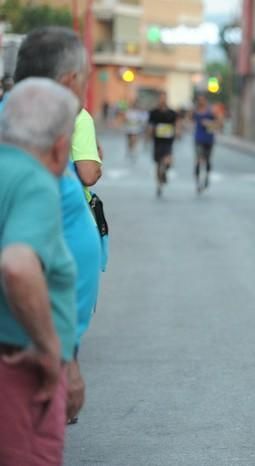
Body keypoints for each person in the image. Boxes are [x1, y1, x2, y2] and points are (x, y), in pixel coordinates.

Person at [11, 26, 106, 424]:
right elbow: (18, 265)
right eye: (85, 77)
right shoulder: (33, 142)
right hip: (29, 357)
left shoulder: (17, 122)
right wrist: (58, 356)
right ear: (69, 81)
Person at [0, 77, 80, 466]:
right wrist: (50, 351)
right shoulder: (35, 181)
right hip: (17, 372)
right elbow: (17, 265)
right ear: (61, 145)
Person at [149, 91, 179, 197]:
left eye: (164, 98)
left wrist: (177, 133)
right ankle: (159, 185)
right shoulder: (154, 112)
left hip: (168, 141)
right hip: (157, 141)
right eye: (160, 98)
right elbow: (150, 126)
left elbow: (176, 125)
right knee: (157, 164)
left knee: (167, 161)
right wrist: (148, 136)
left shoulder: (172, 113)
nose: (162, 100)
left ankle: (165, 172)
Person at [192, 93, 221, 193]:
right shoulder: (195, 111)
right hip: (198, 139)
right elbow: (189, 120)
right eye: (199, 100)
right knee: (198, 161)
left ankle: (206, 178)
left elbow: (219, 123)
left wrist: (209, 123)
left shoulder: (211, 111)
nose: (201, 102)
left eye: (202, 99)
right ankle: (197, 183)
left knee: (207, 161)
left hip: (209, 139)